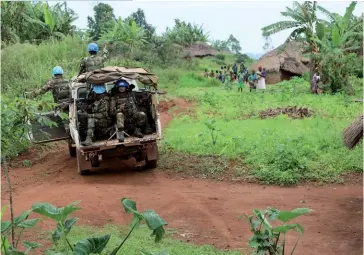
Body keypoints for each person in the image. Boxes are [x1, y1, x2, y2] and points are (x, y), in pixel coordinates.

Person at [27, 66, 71, 133]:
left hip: (59, 105)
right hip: (70, 104)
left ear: (53, 74)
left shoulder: (52, 82)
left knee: (65, 121)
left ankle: (68, 134)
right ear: (62, 73)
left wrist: (32, 94)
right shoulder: (68, 81)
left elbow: (42, 90)